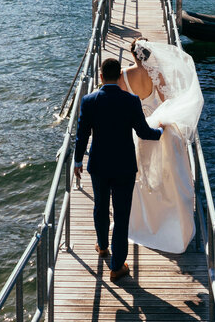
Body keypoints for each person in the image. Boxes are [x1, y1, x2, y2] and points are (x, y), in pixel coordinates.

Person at [74, 56, 164, 281]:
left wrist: (77, 162)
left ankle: (103, 246)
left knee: (100, 206)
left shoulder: (88, 100)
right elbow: (144, 132)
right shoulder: (131, 101)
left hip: (99, 165)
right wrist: (161, 132)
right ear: (119, 75)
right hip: (124, 166)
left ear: (101, 76)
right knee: (121, 215)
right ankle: (116, 266)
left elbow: (82, 135)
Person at [121, 38, 204, 253]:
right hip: (156, 129)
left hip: (133, 130)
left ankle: (140, 221)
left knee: (139, 175)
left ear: (133, 55)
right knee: (164, 174)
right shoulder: (156, 75)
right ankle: (167, 219)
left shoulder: (123, 75)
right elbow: (168, 102)